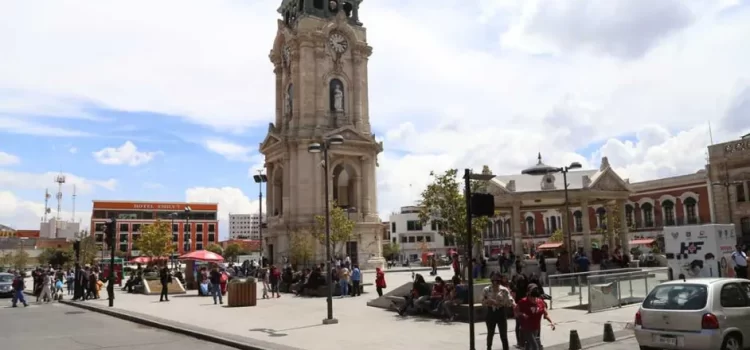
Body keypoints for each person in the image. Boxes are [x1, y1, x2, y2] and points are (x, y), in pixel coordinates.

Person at [517, 284, 555, 350]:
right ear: (528, 294)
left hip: (535, 328)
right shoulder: (522, 302)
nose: (533, 299)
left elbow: (545, 314)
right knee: (535, 347)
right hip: (526, 328)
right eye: (531, 296)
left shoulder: (540, 302)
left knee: (529, 345)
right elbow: (516, 312)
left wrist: (551, 322)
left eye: (535, 297)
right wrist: (522, 314)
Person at [483, 273, 514, 350]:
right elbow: (483, 301)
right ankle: (488, 347)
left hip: (501, 312)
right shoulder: (486, 289)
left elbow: (510, 301)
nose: (495, 283)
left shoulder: (504, 290)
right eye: (493, 281)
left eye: (497, 281)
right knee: (490, 333)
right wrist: (489, 301)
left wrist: (501, 302)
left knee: (503, 335)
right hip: (491, 312)